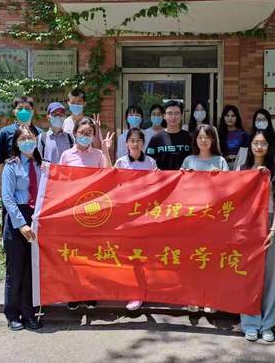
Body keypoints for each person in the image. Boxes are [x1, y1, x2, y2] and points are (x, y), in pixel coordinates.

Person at [59, 117, 114, 310]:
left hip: (93, 210)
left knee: (91, 252)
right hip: (72, 211)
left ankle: (90, 293)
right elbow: (60, 181)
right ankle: (73, 294)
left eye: (89, 133)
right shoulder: (66, 155)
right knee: (74, 253)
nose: (85, 136)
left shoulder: (98, 154)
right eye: (82, 133)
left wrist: (105, 149)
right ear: (74, 133)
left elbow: (108, 174)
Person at [239, 130, 275, 342]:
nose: (259, 147)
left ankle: (267, 324)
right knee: (248, 276)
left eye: (263, 144)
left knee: (271, 277)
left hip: (271, 224)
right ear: (250, 146)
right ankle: (249, 323)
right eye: (256, 143)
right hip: (248, 227)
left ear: (268, 147)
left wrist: (273, 228)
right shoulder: (242, 169)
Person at [181, 124, 228, 314]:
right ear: (195, 140)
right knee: (193, 259)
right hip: (192, 218)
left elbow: (230, 187)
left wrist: (220, 178)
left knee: (211, 260)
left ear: (213, 140)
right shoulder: (188, 160)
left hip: (213, 219)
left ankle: (210, 298)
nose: (203, 140)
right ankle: (192, 297)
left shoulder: (221, 161)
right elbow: (179, 187)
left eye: (207, 137)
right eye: (200, 137)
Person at [1, 125, 42, 331]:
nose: (28, 142)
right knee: (16, 269)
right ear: (17, 143)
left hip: (37, 218)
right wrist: (22, 224)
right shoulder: (11, 166)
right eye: (23, 139)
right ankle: (12, 314)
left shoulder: (41, 165)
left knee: (31, 271)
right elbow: (7, 198)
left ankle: (29, 313)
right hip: (18, 218)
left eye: (31, 138)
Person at [114, 127, 157, 311]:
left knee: (144, 254)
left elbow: (158, 185)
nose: (135, 143)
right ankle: (133, 293)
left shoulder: (151, 162)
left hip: (145, 215)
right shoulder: (120, 162)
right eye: (132, 140)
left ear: (143, 143)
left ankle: (145, 290)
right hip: (126, 216)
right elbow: (113, 186)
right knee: (129, 255)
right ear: (126, 144)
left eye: (138, 140)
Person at [0, 96, 41, 165]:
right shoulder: (5, 132)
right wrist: (11, 165)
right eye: (20, 108)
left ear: (32, 112)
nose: (23, 111)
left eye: (27, 108)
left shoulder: (40, 133)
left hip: (35, 171)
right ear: (14, 112)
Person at [146, 100, 191, 170]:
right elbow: (147, 161)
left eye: (177, 113)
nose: (173, 117)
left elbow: (196, 159)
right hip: (162, 177)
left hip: (184, 177)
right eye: (170, 113)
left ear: (182, 116)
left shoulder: (189, 137)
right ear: (164, 116)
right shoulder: (156, 138)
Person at [218, 105, 249, 170]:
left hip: (239, 165)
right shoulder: (219, 135)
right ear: (223, 117)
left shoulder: (243, 134)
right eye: (227, 116)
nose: (230, 118)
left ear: (237, 117)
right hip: (222, 165)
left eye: (233, 116)